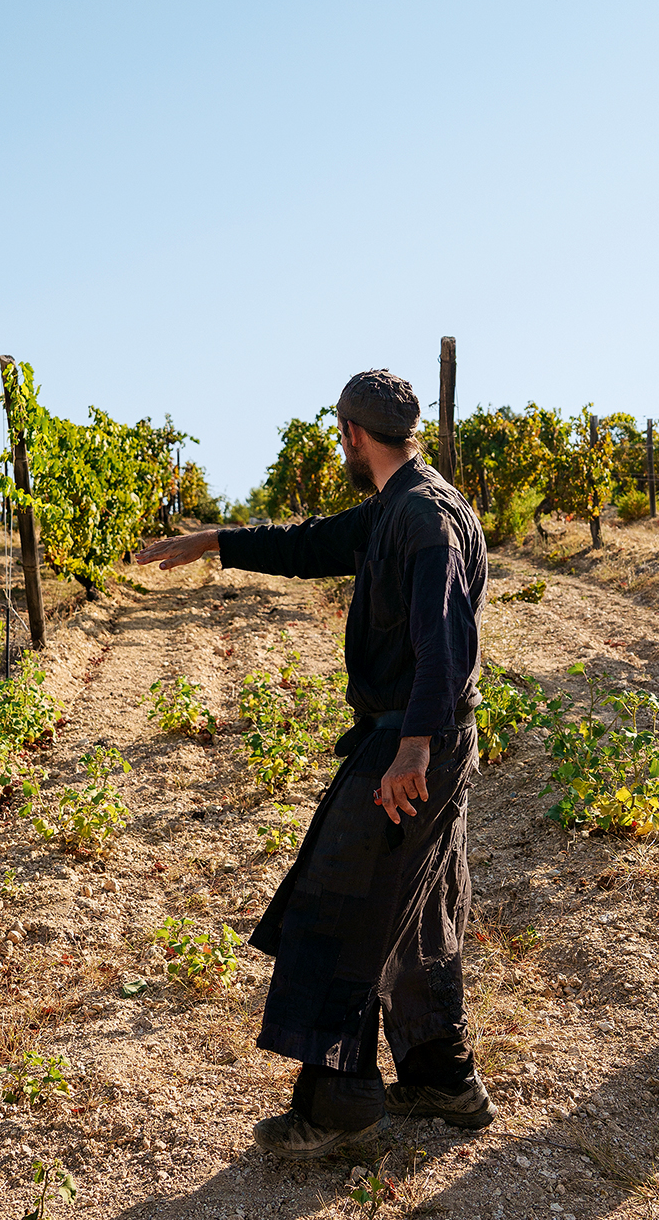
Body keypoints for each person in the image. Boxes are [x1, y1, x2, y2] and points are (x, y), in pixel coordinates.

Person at [134, 370, 491, 1160]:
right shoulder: (409, 503)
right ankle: (442, 1077)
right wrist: (218, 542)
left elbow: (443, 646)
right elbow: (314, 544)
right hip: (422, 737)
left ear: (352, 435)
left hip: (410, 742)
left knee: (341, 910)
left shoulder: (424, 519)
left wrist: (411, 748)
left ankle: (341, 1111)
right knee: (418, 913)